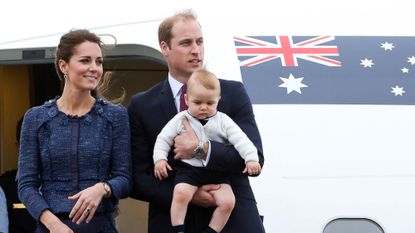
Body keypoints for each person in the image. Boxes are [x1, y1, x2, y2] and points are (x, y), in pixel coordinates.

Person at [128, 10, 265, 233]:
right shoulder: (142, 105)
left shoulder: (232, 93)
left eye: (199, 41)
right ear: (165, 48)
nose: (196, 50)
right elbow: (137, 178)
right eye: (186, 43)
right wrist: (190, 195)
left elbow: (254, 157)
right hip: (172, 223)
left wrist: (201, 150)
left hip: (233, 221)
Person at [18, 29, 132, 233]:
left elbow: (124, 179)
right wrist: (53, 225)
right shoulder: (35, 118)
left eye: (98, 61)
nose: (94, 68)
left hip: (100, 226)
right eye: (85, 60)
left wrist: (102, 188)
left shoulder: (115, 116)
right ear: (64, 65)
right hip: (51, 228)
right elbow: (26, 185)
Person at [153, 68, 262, 233]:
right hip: (189, 170)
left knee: (228, 202)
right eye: (197, 103)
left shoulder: (224, 121)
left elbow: (242, 141)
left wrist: (251, 159)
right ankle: (178, 228)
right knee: (181, 193)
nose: (204, 108)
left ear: (218, 100)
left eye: (210, 103)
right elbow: (163, 139)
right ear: (187, 99)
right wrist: (160, 160)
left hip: (218, 173)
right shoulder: (180, 119)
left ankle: (212, 230)